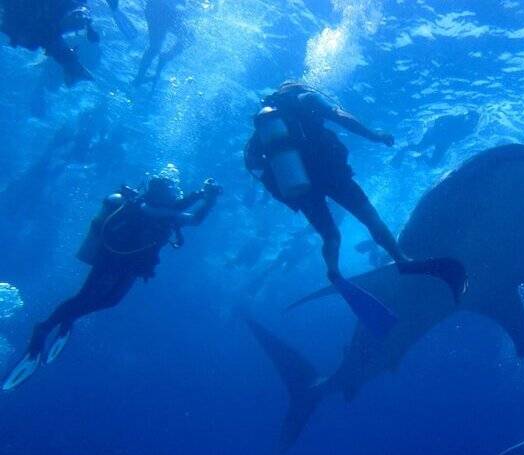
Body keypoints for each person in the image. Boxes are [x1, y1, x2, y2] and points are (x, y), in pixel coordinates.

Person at [244, 81, 466, 332]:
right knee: (371, 218)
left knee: (330, 234)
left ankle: (334, 273)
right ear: (297, 87)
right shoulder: (306, 98)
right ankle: (402, 259)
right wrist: (376, 136)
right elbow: (341, 116)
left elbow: (252, 161)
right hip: (331, 174)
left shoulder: (266, 123)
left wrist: (283, 193)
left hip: (303, 186)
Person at [3, 172, 221, 390]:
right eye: (172, 191)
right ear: (160, 192)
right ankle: (43, 328)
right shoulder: (142, 206)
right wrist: (199, 194)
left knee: (110, 302)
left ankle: (68, 319)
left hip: (133, 268)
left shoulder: (168, 213)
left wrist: (210, 201)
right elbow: (161, 212)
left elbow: (195, 219)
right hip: (111, 261)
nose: (175, 194)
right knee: (84, 297)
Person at [0, 0, 101, 85]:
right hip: (27, 25)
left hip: (32, 25)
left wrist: (83, 15)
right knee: (41, 34)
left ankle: (71, 66)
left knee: (43, 34)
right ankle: (71, 66)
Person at [390, 110, 479, 168]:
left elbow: (459, 140)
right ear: (467, 116)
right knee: (419, 148)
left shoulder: (470, 130)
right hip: (434, 135)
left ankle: (421, 157)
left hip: (445, 143)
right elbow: (438, 120)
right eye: (470, 118)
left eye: (474, 120)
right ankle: (401, 152)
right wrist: (439, 129)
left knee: (433, 164)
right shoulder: (455, 118)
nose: (471, 121)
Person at [134, 0, 192, 85]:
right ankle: (165, 58)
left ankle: (140, 77)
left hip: (160, 10)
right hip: (161, 10)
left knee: (155, 47)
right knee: (155, 47)